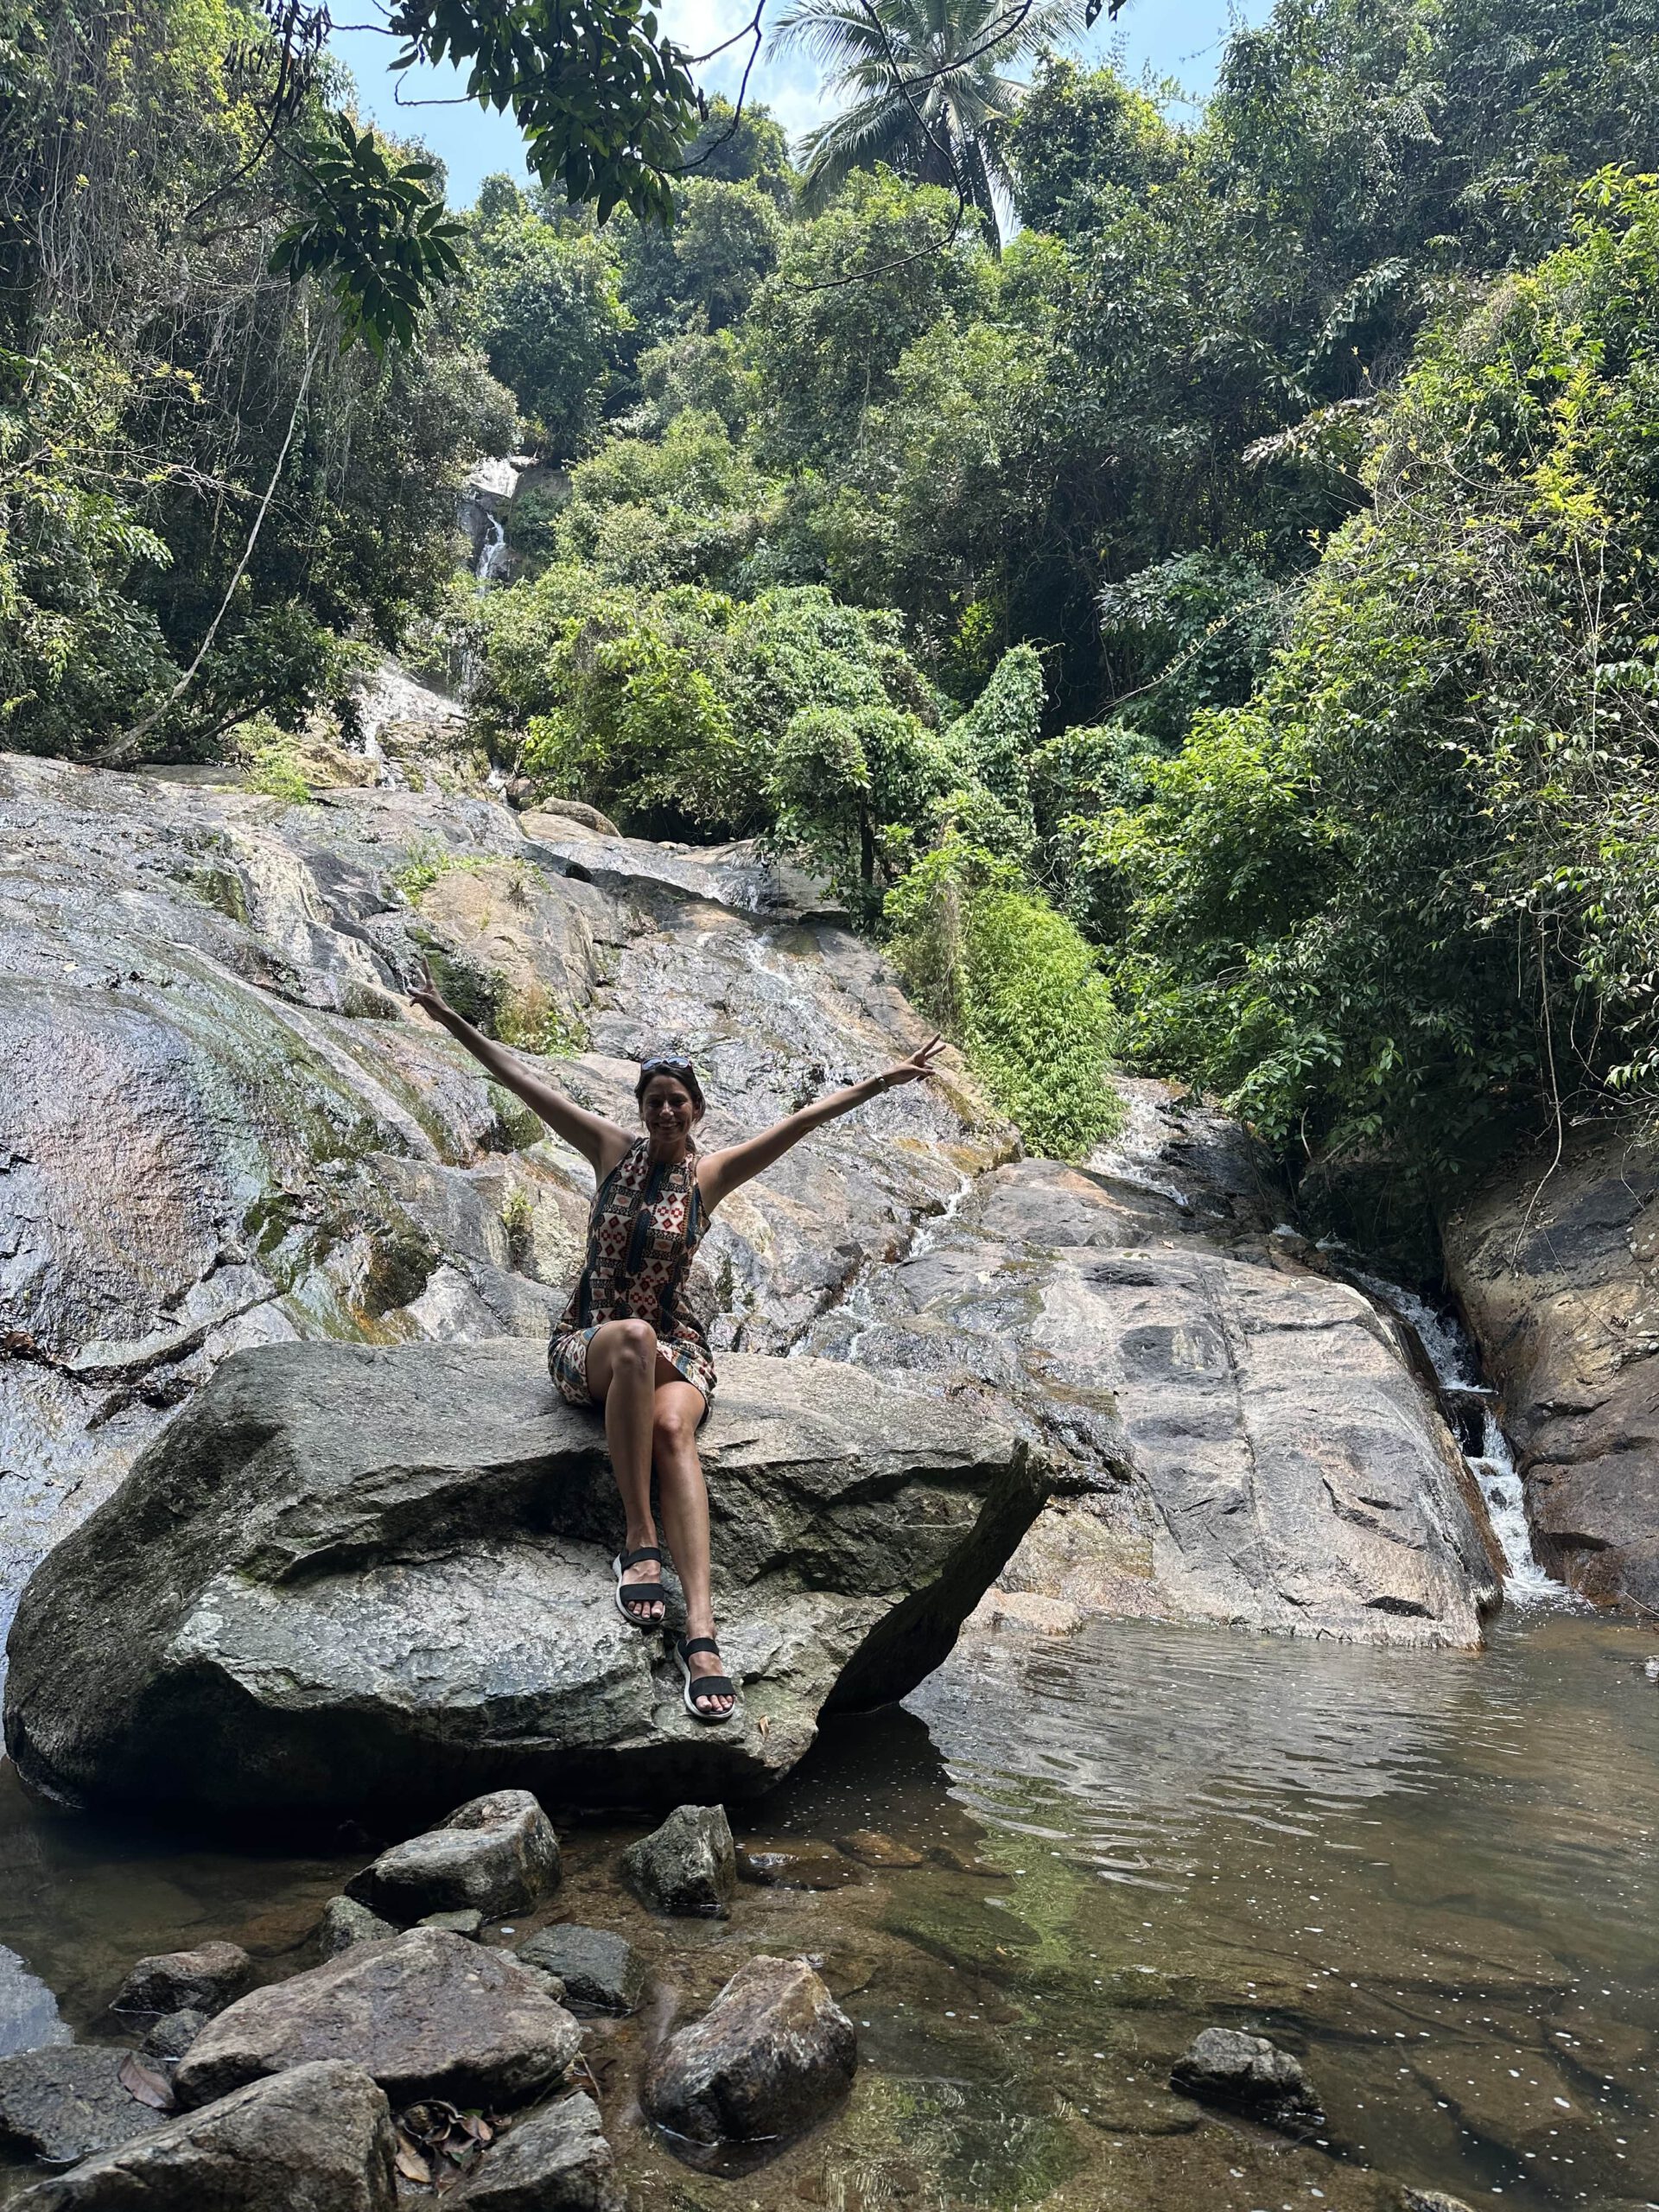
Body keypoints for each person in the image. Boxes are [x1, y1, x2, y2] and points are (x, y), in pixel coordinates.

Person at [407, 962, 944, 1724]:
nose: (667, 1111)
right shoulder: (607, 1151)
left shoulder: (710, 1176)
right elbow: (520, 1078)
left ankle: (702, 1632)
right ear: (642, 1107)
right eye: (656, 1100)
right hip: (589, 1340)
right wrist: (446, 1017)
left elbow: (798, 1126)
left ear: (696, 1110)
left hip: (679, 1345)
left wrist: (880, 1084)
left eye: (679, 1101)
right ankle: (638, 1538)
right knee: (629, 1337)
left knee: (671, 1428)